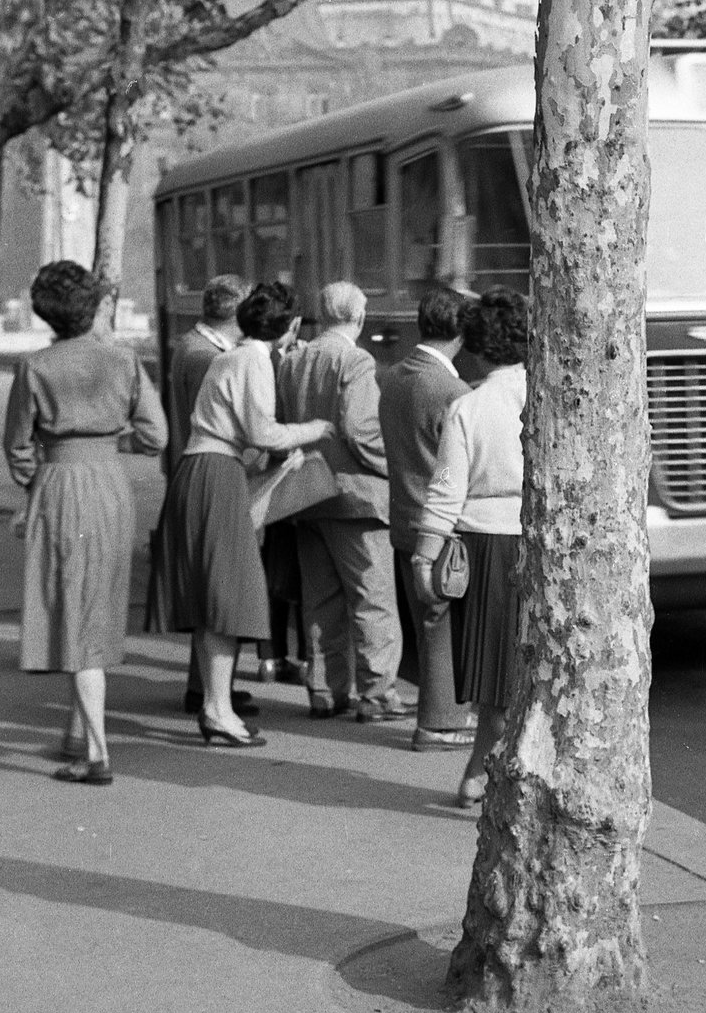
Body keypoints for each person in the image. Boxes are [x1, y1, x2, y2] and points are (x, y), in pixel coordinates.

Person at [3, 261, 168, 787]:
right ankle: (78, 731)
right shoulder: (123, 361)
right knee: (93, 607)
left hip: (59, 488)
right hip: (108, 487)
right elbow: (156, 435)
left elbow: (17, 446)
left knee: (70, 610)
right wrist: (107, 442)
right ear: (94, 306)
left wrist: (39, 478)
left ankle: (97, 754)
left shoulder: (34, 366)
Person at [161, 282, 334, 747]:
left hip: (198, 471)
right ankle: (218, 711)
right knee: (231, 595)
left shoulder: (230, 355)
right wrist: (313, 429)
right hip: (216, 474)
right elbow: (261, 431)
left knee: (211, 596)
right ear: (291, 326)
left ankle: (214, 705)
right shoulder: (255, 359)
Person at [411, 288, 528, 808]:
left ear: (478, 346)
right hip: (547, 542)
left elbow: (446, 490)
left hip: (485, 545)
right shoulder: (553, 396)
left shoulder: (470, 406)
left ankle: (479, 772)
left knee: (494, 673)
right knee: (524, 671)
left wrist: (424, 556)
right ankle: (487, 773)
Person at [276, 281, 408, 722]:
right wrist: (393, 468)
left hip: (309, 495)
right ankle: (377, 694)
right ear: (359, 318)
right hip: (357, 497)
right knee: (373, 599)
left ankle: (324, 690)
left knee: (321, 600)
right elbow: (360, 429)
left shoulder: (294, 361)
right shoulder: (356, 360)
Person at [145, 273, 260, 716]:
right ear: (237, 314)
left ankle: (208, 686)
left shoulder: (193, 346)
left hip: (193, 468)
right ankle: (211, 694)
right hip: (214, 472)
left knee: (210, 583)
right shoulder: (209, 357)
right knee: (219, 586)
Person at [379, 287, 477, 750]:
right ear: (460, 331)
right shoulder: (452, 390)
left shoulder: (393, 375)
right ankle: (439, 724)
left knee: (428, 621)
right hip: (441, 524)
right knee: (443, 624)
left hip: (403, 516)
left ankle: (445, 716)